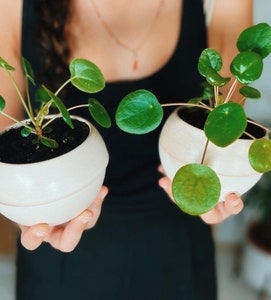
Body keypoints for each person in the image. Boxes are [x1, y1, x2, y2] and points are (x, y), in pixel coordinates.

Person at [0, 0, 252, 299]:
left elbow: (224, 124)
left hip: (177, 249)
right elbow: (6, 143)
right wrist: (23, 207)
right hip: (60, 249)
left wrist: (223, 183)